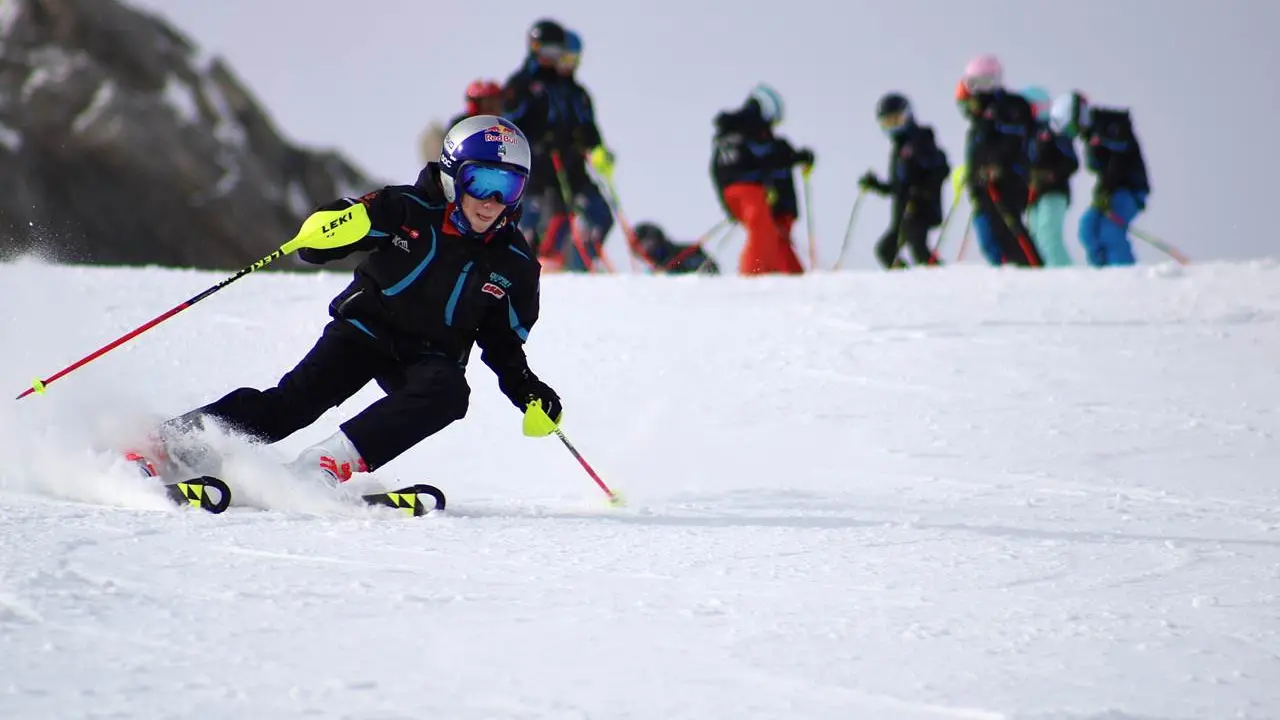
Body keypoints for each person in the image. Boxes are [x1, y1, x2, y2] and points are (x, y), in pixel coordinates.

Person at [124, 115, 562, 487]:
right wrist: (331, 226)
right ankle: (169, 446)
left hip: (430, 354)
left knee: (448, 393)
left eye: (507, 187)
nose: (490, 201)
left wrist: (526, 389)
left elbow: (502, 341)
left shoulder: (515, 262)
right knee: (289, 407)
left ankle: (323, 468)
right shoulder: (407, 209)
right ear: (452, 175)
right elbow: (320, 245)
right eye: (479, 181)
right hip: (365, 330)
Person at [710, 83, 813, 275]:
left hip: (766, 196)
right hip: (748, 190)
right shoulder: (744, 131)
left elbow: (772, 155)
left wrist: (796, 158)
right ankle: (754, 274)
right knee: (763, 228)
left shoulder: (759, 136)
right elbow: (766, 157)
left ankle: (792, 278)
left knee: (777, 235)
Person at [957, 54, 1042, 267]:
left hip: (1009, 180)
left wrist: (997, 165)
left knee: (1008, 228)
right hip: (982, 185)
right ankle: (1007, 271)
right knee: (988, 233)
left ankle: (1033, 269)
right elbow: (978, 149)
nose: (980, 90)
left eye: (985, 83)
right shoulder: (979, 116)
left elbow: (1014, 141)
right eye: (974, 84)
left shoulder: (1012, 107)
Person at [1052, 91, 1150, 266]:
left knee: (1110, 230)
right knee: (1087, 229)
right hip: (1109, 191)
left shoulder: (1111, 126)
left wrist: (1105, 190)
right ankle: (1102, 274)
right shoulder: (1092, 135)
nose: (1076, 134)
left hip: (1130, 190)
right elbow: (1097, 167)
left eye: (1074, 128)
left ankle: (1124, 274)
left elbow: (1119, 161)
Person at [858, 92, 950, 269]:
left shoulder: (921, 139)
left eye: (897, 120)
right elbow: (899, 187)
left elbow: (941, 167)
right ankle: (906, 281)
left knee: (917, 245)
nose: (894, 127)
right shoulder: (899, 148)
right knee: (885, 251)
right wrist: (876, 185)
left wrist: (922, 190)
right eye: (888, 123)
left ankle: (941, 277)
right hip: (902, 212)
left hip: (920, 209)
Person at [1021, 85, 1078, 267]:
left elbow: (1071, 161)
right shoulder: (1024, 134)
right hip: (1034, 193)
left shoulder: (1052, 130)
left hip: (1053, 191)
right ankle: (1045, 277)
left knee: (1048, 234)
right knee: (1035, 236)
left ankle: (1064, 273)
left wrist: (1051, 174)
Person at [632, 222, 721, 274]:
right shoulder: (651, 269)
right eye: (641, 246)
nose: (645, 249)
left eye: (648, 243)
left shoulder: (685, 253)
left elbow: (709, 268)